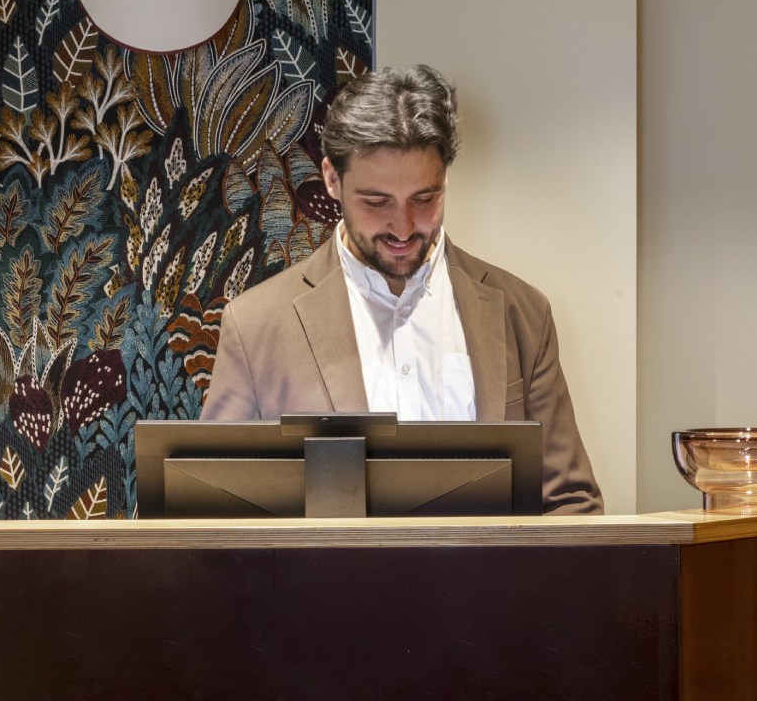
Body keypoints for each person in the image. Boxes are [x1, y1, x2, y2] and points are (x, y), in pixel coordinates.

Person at [202, 64, 603, 514]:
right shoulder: (257, 325)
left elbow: (570, 502)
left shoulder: (523, 312)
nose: (403, 227)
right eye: (376, 203)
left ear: (445, 179)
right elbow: (217, 512)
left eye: (424, 199)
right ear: (332, 179)